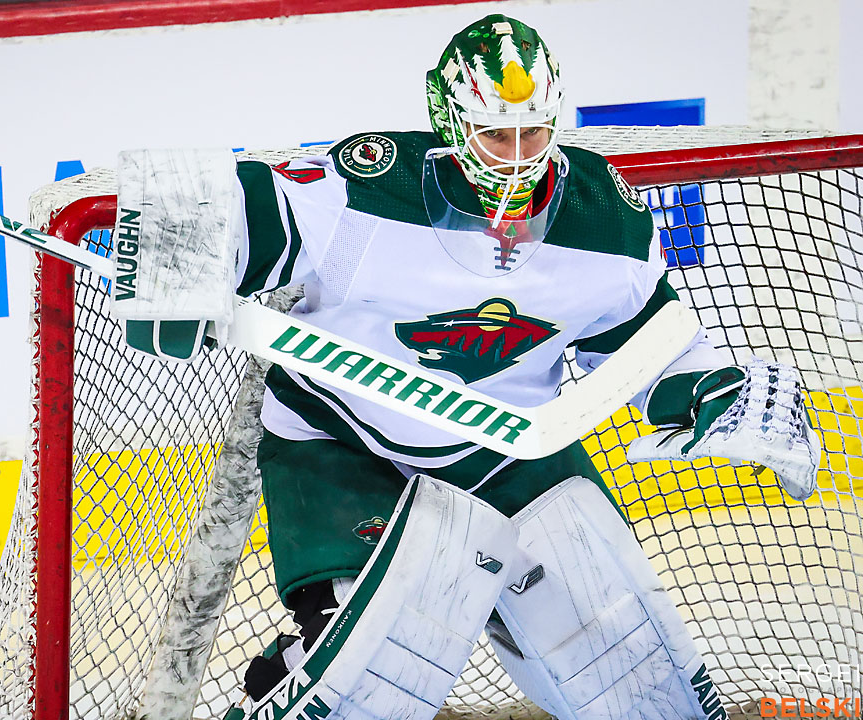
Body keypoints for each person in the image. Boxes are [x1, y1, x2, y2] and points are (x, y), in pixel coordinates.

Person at [125, 13, 820, 720]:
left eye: (534, 133)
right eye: (495, 134)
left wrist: (713, 393)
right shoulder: (368, 189)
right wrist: (177, 262)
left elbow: (652, 346)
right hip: (339, 437)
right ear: (450, 122)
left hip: (509, 452)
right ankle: (301, 664)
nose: (517, 158)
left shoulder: (604, 220)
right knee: (371, 667)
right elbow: (234, 206)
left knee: (631, 671)